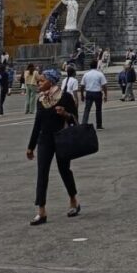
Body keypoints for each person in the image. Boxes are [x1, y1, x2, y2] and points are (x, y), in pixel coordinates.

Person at [25, 69, 81, 225]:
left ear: (51, 81)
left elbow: (75, 120)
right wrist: (31, 146)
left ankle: (73, 200)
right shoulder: (41, 100)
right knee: (42, 172)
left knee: (64, 170)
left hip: (61, 138)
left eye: (42, 80)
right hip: (45, 140)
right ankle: (41, 211)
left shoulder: (65, 97)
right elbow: (37, 124)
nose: (39, 83)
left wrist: (65, 114)